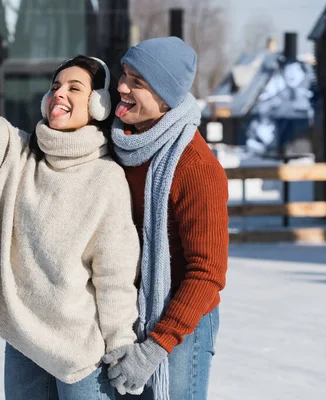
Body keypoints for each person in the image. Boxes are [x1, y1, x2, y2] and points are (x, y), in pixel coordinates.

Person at [0, 36, 141, 400]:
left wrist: (120, 343)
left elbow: (115, 274)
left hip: (80, 355)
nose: (59, 93)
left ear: (98, 104)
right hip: (24, 342)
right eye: (55, 86)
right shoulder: (19, 157)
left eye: (74, 88)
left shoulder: (105, 178)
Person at [102, 37, 229, 400]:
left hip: (182, 321)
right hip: (127, 313)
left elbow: (207, 274)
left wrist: (155, 347)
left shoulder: (196, 167)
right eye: (124, 74)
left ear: (165, 99)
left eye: (137, 82)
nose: (122, 87)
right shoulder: (120, 145)